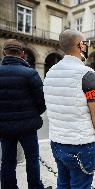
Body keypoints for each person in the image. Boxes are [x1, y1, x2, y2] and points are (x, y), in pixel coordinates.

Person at [43, 29, 95, 189]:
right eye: (85, 43)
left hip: (57, 142)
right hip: (80, 144)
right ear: (80, 45)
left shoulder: (50, 73)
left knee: (63, 184)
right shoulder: (87, 74)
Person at [0, 39, 47, 189]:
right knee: (32, 159)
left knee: (7, 160)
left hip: (4, 127)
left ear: (3, 53)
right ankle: (35, 186)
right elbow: (41, 103)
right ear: (22, 54)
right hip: (28, 127)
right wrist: (32, 114)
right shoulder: (30, 73)